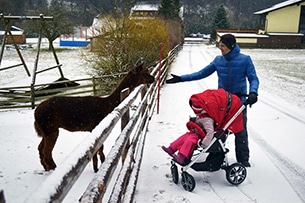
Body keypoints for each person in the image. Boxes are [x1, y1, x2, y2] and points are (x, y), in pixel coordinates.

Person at [166, 34, 259, 167]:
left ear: (231, 46)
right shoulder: (218, 61)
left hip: (238, 103)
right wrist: (181, 78)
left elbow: (253, 78)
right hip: (221, 104)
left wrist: (253, 92)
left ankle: (243, 160)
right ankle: (215, 158)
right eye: (219, 45)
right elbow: (201, 73)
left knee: (240, 132)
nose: (220, 48)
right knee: (219, 132)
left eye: (223, 46)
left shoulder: (245, 60)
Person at [162, 98, 215, 165]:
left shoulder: (207, 120)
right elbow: (199, 121)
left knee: (189, 140)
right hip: (195, 132)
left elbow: (210, 132)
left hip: (200, 136)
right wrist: (194, 120)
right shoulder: (201, 115)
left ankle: (182, 156)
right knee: (184, 137)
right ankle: (171, 148)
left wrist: (204, 143)